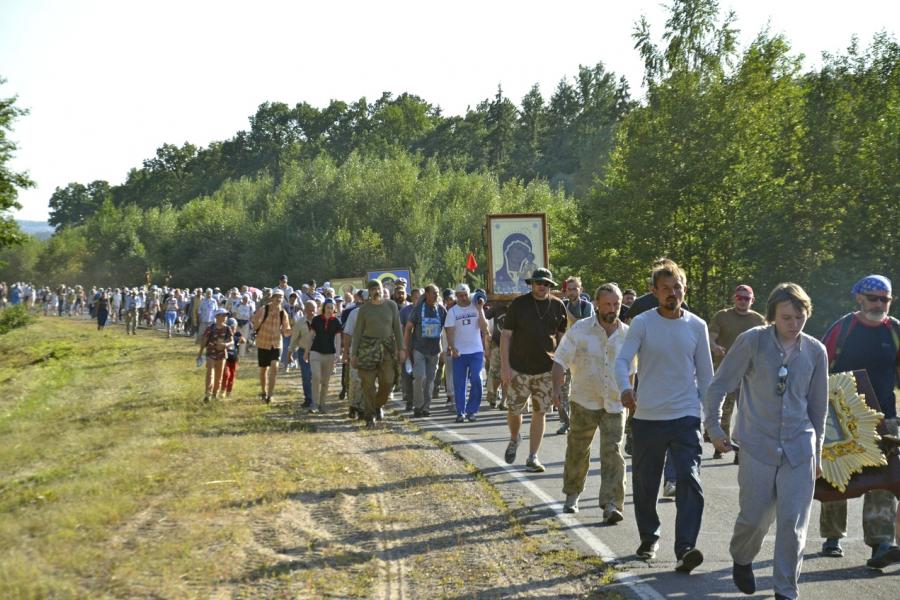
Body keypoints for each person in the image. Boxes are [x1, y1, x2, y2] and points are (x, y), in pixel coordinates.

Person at [704, 283, 827, 600]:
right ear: (772, 316)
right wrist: (714, 428)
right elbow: (719, 386)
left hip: (799, 448)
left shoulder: (816, 351)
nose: (794, 324)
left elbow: (818, 408)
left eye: (800, 317)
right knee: (755, 519)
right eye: (786, 317)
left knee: (792, 524)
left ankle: (786, 591)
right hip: (757, 445)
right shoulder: (752, 341)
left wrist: (817, 453)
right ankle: (742, 557)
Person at [615, 259, 712, 572]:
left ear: (685, 289)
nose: (672, 293)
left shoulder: (697, 326)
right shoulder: (643, 323)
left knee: (690, 479)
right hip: (648, 417)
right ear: (654, 292)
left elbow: (706, 376)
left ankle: (685, 548)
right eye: (666, 288)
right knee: (646, 484)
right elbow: (623, 361)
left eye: (677, 287)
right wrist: (625, 388)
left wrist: (712, 420)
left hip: (686, 416)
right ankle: (649, 538)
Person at [818, 274, 900, 567]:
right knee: (837, 474)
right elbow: (818, 365)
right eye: (873, 298)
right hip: (839, 415)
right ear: (859, 298)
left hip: (884, 417)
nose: (879, 304)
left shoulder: (895, 330)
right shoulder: (843, 328)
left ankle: (880, 544)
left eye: (885, 299)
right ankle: (832, 536)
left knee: (884, 480)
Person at [554, 283, 634, 523]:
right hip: (584, 400)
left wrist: (630, 396)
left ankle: (612, 504)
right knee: (578, 448)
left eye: (616, 304)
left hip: (615, 402)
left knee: (613, 452)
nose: (612, 308)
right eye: (607, 304)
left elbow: (631, 371)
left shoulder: (628, 334)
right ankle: (572, 495)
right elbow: (560, 360)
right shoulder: (580, 329)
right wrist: (556, 389)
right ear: (597, 304)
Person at [500, 268, 568, 473]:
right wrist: (505, 367)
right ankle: (515, 438)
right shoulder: (518, 304)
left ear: (550, 286)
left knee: (540, 411)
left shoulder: (558, 305)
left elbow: (562, 340)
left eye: (546, 283)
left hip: (546, 369)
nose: (542, 286)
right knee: (514, 410)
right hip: (518, 368)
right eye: (538, 282)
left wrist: (561, 369)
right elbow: (505, 336)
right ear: (531, 284)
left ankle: (533, 457)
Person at [707, 284, 766, 460]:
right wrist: (715, 347)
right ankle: (721, 444)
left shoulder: (759, 321)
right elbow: (710, 337)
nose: (742, 301)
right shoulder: (722, 316)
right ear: (734, 298)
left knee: (747, 414)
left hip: (749, 376)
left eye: (746, 298)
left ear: (752, 300)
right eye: (739, 297)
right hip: (725, 373)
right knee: (724, 413)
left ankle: (741, 451)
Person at [351, 279, 404, 429]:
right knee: (368, 385)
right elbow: (358, 332)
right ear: (369, 292)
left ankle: (376, 406)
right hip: (367, 350)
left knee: (388, 382)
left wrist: (401, 349)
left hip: (387, 349)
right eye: (373, 289)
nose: (376, 291)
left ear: (382, 289)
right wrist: (354, 354)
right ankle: (370, 417)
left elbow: (397, 329)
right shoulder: (364, 309)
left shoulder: (391, 305)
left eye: (378, 288)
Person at [557, 276, 596, 435]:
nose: (571, 292)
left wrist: (564, 309)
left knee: (582, 389)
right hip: (565, 353)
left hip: (582, 354)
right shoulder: (562, 304)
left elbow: (581, 325)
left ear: (581, 290)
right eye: (569, 289)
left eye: (575, 289)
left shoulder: (587, 306)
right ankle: (566, 422)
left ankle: (583, 421)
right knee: (562, 390)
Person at [445, 283, 489, 422]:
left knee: (476, 378)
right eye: (460, 296)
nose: (463, 298)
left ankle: (472, 410)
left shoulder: (476, 307)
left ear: (469, 294)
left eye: (465, 295)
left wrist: (480, 309)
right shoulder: (452, 312)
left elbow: (484, 328)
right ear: (456, 296)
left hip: (476, 351)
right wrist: (452, 347)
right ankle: (460, 412)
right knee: (459, 383)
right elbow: (449, 331)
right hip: (460, 352)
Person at [404, 284, 447, 418]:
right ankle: (418, 406)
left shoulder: (441, 310)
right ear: (427, 294)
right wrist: (406, 348)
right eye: (434, 292)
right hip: (419, 350)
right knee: (420, 377)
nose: (436, 295)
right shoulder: (418, 310)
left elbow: (448, 328)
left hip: (435, 351)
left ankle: (426, 407)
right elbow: (408, 328)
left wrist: (447, 347)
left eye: (437, 293)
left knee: (429, 381)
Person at [250, 288, 291, 403]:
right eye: (276, 296)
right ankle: (263, 391)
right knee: (264, 369)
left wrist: (293, 329)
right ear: (272, 298)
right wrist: (257, 323)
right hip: (263, 342)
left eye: (280, 297)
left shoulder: (283, 313)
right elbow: (254, 322)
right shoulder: (264, 309)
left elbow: (286, 330)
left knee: (274, 366)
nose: (278, 299)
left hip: (276, 343)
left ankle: (270, 394)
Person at [304, 299, 343, 413]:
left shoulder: (337, 321)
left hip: (330, 354)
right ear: (324, 308)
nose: (330, 310)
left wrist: (338, 354)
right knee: (316, 377)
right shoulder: (316, 320)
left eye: (332, 308)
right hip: (316, 352)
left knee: (325, 381)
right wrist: (306, 351)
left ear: (334, 309)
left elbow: (338, 339)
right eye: (328, 307)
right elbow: (310, 336)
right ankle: (314, 404)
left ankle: (322, 404)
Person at [196, 308, 234, 402]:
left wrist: (225, 345)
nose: (225, 317)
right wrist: (200, 353)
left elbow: (232, 341)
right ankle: (208, 394)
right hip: (211, 354)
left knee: (219, 376)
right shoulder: (210, 328)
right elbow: (204, 341)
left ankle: (215, 394)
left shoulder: (227, 328)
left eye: (226, 315)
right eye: (223, 315)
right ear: (217, 316)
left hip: (222, 354)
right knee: (210, 374)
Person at [288, 300, 317, 408]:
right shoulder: (300, 322)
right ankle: (308, 399)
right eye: (309, 310)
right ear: (305, 310)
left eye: (313, 310)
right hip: (303, 351)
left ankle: (316, 398)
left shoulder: (320, 321)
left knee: (315, 376)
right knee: (306, 376)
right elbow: (294, 339)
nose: (312, 312)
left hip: (317, 352)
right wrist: (290, 353)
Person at [221, 317, 244, 398]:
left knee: (232, 375)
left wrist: (241, 340)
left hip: (234, 359)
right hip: (226, 358)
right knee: (226, 374)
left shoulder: (237, 335)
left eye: (234, 328)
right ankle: (223, 390)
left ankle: (229, 391)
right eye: (231, 327)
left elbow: (243, 340)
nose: (232, 329)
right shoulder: (225, 335)